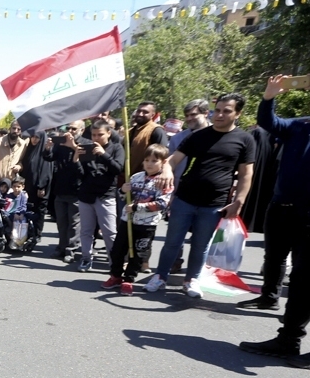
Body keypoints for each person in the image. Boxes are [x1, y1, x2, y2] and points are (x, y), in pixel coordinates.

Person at [145, 93, 255, 298]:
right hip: (185, 199)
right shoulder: (198, 136)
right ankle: (159, 276)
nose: (220, 115)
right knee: (172, 242)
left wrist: (238, 202)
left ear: (237, 114)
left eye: (227, 111)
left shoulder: (245, 139)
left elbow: (247, 174)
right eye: (218, 110)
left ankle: (191, 280)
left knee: (200, 244)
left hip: (215, 203)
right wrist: (167, 170)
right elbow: (172, 159)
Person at [239, 76, 310, 368]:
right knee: (281, 264)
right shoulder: (301, 125)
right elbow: (270, 123)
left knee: (305, 280)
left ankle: (290, 338)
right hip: (282, 208)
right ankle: (288, 340)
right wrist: (269, 97)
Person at [101, 144, 174, 296]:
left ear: (163, 162)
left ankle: (129, 279)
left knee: (138, 253)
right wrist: (123, 190)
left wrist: (138, 207)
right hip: (127, 221)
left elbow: (162, 203)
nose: (149, 163)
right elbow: (122, 197)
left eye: (154, 160)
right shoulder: (135, 177)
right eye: (147, 160)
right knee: (118, 250)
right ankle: (115, 276)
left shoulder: (164, 182)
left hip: (146, 224)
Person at [76, 119, 125, 271]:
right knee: (86, 231)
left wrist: (104, 155)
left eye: (100, 135)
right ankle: (86, 258)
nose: (96, 138)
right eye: (94, 135)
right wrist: (76, 159)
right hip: (87, 195)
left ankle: (114, 262)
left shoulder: (116, 148)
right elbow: (80, 175)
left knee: (110, 232)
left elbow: (118, 169)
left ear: (109, 133)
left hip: (106, 195)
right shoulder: (87, 148)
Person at [43, 121, 89, 262]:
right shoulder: (61, 143)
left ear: (82, 130)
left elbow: (85, 167)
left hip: (77, 190)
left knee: (74, 224)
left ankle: (71, 250)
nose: (70, 131)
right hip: (60, 188)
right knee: (61, 222)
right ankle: (61, 247)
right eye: (68, 128)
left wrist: (73, 147)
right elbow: (49, 158)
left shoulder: (86, 144)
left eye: (73, 129)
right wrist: (48, 148)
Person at [19, 130, 53, 245]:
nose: (34, 139)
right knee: (28, 209)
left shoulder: (45, 152)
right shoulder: (29, 149)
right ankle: (28, 233)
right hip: (29, 187)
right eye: (32, 137)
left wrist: (41, 186)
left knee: (39, 211)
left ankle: (37, 234)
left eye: (37, 137)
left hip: (40, 188)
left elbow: (46, 172)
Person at [168, 99, 210, 184]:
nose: (189, 118)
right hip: (180, 190)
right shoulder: (176, 139)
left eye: (193, 114)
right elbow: (170, 166)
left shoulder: (219, 135)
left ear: (206, 113)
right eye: (187, 116)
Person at [127, 101, 169, 173]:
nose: (140, 114)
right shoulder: (130, 131)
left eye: (145, 112)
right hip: (128, 176)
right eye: (138, 111)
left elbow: (163, 154)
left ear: (152, 115)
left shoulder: (156, 130)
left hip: (146, 177)